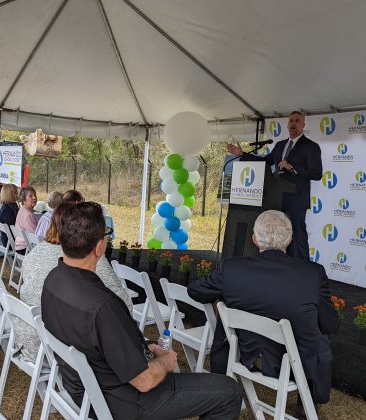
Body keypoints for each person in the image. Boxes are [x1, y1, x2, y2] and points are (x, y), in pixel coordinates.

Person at [41, 202, 242, 419]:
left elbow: (106, 344)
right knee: (229, 391)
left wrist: (149, 348)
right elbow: (145, 381)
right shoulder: (102, 306)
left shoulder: (53, 280)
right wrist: (166, 361)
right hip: (124, 401)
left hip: (86, 391)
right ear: (99, 247)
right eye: (107, 234)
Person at [188, 210, 339, 406]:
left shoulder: (232, 269)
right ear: (290, 239)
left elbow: (195, 291)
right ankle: (307, 404)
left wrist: (222, 298)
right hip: (296, 366)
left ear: (254, 239)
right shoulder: (313, 273)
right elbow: (330, 324)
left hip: (245, 355)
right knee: (320, 335)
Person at [13, 202, 132, 363]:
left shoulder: (34, 253)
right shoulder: (85, 257)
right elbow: (124, 307)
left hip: (29, 339)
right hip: (58, 352)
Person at [227, 111, 322, 260]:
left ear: (303, 125)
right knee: (277, 238)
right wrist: (242, 154)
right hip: (276, 199)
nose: (293, 124)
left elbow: (317, 173)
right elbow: (265, 161)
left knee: (297, 237)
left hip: (296, 200)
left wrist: (293, 168)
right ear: (287, 124)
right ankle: (281, 266)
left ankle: (303, 269)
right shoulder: (280, 145)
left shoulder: (311, 147)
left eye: (297, 121)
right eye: (291, 121)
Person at [14, 186, 37, 254]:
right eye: (30, 196)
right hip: (25, 248)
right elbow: (35, 236)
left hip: (20, 246)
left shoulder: (22, 209)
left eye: (35, 195)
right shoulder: (28, 214)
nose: (34, 198)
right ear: (24, 200)